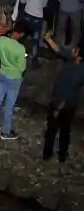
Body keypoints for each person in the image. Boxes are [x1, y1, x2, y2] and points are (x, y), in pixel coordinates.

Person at [42, 35, 83, 163]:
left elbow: (68, 92)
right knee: (65, 130)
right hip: (69, 103)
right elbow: (59, 50)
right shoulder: (74, 60)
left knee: (53, 128)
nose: (72, 49)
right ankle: (62, 155)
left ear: (78, 55)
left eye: (75, 49)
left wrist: (57, 109)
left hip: (62, 103)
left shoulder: (78, 71)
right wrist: (48, 39)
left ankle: (48, 153)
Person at [0, 23, 28, 139]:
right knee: (9, 105)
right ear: (22, 34)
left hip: (3, 73)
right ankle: (6, 131)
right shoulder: (20, 49)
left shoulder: (1, 40)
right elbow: (22, 68)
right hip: (14, 78)